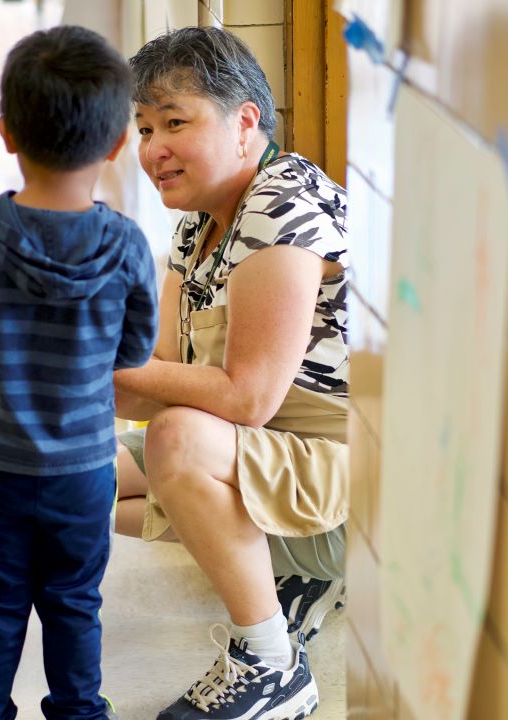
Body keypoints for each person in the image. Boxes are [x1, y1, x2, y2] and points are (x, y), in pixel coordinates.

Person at [0, 25, 158, 720]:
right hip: (83, 469)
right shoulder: (126, 246)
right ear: (117, 144)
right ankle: (79, 710)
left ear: (6, 133)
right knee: (75, 602)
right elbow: (135, 350)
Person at [112, 26, 350, 720]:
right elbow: (149, 376)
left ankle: (271, 665)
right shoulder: (199, 224)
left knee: (181, 442)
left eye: (174, 122)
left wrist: (121, 367)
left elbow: (244, 399)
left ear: (246, 122)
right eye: (145, 126)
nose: (153, 149)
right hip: (283, 454)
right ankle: (291, 579)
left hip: (360, 478)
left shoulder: (282, 204)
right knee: (63, 480)